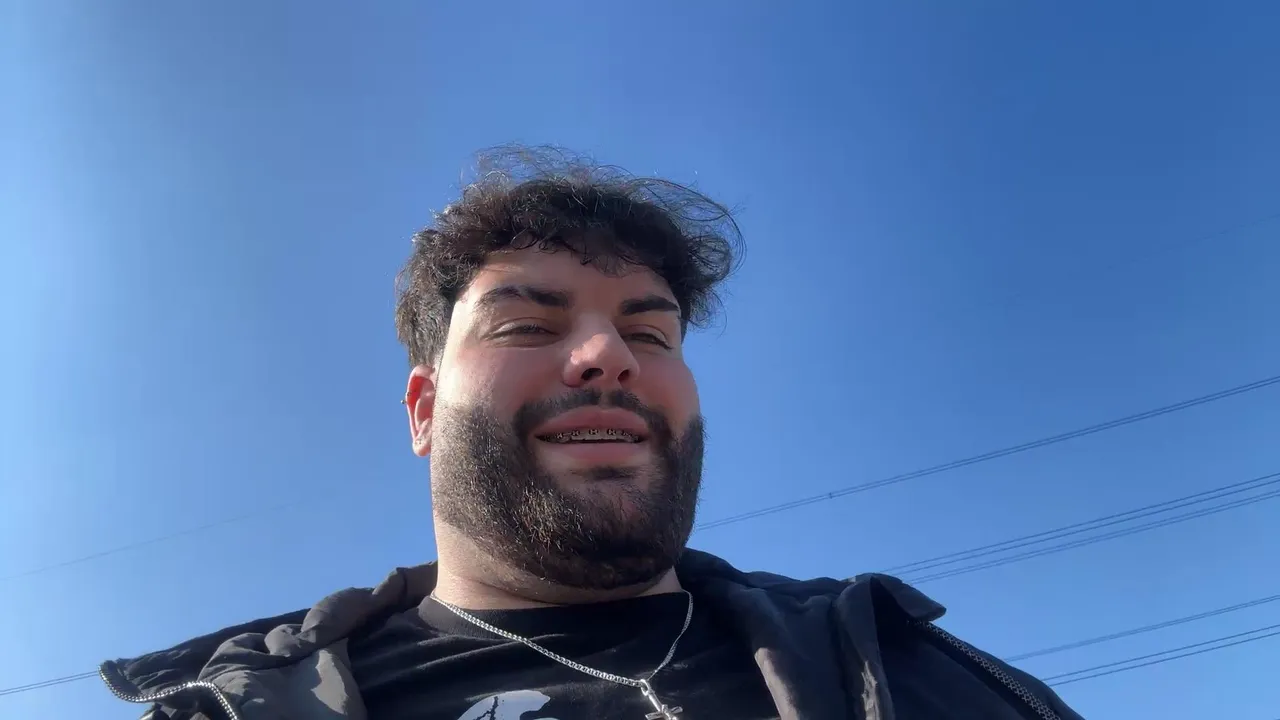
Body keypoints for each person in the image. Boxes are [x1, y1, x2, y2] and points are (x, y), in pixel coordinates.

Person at [100, 146, 1085, 720]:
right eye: (527, 325)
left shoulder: (893, 669)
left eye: (650, 333)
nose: (608, 356)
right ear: (424, 409)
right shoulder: (236, 707)